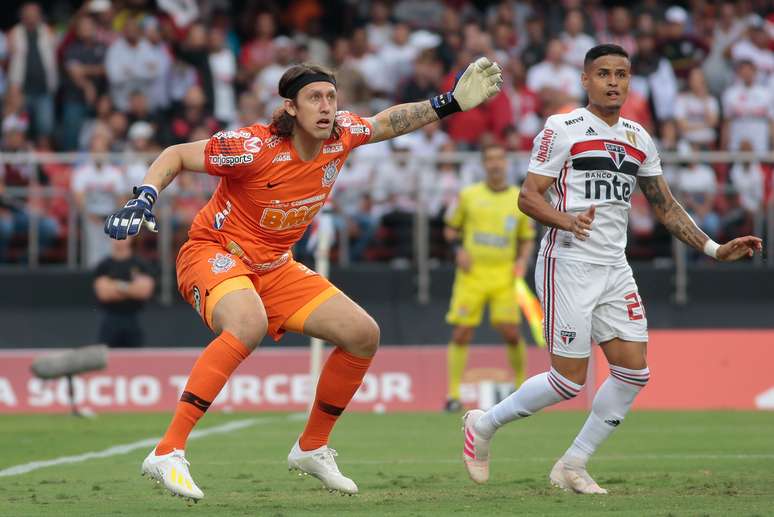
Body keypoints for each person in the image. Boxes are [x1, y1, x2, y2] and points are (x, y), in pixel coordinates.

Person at [104, 59, 503, 501]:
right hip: (213, 252)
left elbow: (385, 122)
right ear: (290, 107)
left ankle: (312, 447)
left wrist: (448, 103)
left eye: (331, 97)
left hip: (275, 265)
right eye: (315, 97)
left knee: (362, 335)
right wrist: (144, 197)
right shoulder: (252, 146)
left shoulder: (342, 136)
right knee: (247, 325)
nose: (326, 106)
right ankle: (168, 450)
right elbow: (176, 154)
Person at [461, 44, 761, 494]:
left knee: (634, 371)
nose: (613, 82)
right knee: (567, 380)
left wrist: (715, 249)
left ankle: (573, 464)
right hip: (567, 261)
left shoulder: (639, 138)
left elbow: (666, 205)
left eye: (621, 74)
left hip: (613, 266)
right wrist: (567, 220)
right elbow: (528, 196)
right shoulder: (562, 127)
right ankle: (484, 424)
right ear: (586, 80)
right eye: (603, 73)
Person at [444, 143, 535, 412]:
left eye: (500, 159)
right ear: (484, 165)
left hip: (504, 275)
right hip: (471, 275)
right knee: (462, 332)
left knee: (509, 330)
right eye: (490, 159)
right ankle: (453, 395)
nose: (495, 164)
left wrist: (522, 260)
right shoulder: (468, 196)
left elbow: (527, 238)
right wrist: (458, 250)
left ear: (506, 164)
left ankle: (521, 387)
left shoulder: (520, 199)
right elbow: (450, 230)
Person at [93, 237, 155, 346]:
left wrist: (115, 285)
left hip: (134, 319)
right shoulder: (103, 266)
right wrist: (131, 287)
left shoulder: (141, 265)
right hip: (110, 320)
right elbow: (104, 293)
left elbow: (143, 291)